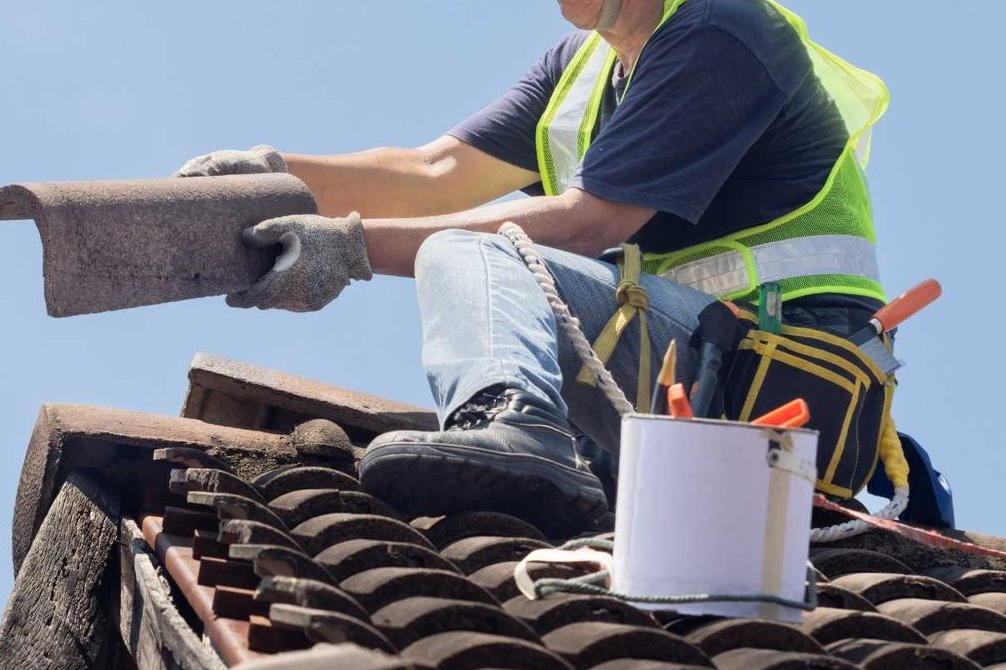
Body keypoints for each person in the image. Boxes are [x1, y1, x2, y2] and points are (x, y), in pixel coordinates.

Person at [176, 0, 891, 538]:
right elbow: (435, 171)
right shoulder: (579, 71)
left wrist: (347, 248)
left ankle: (519, 426)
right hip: (684, 373)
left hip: (772, 389)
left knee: (475, 252)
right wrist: (276, 176)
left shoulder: (721, 28)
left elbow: (588, 223)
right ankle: (536, 449)